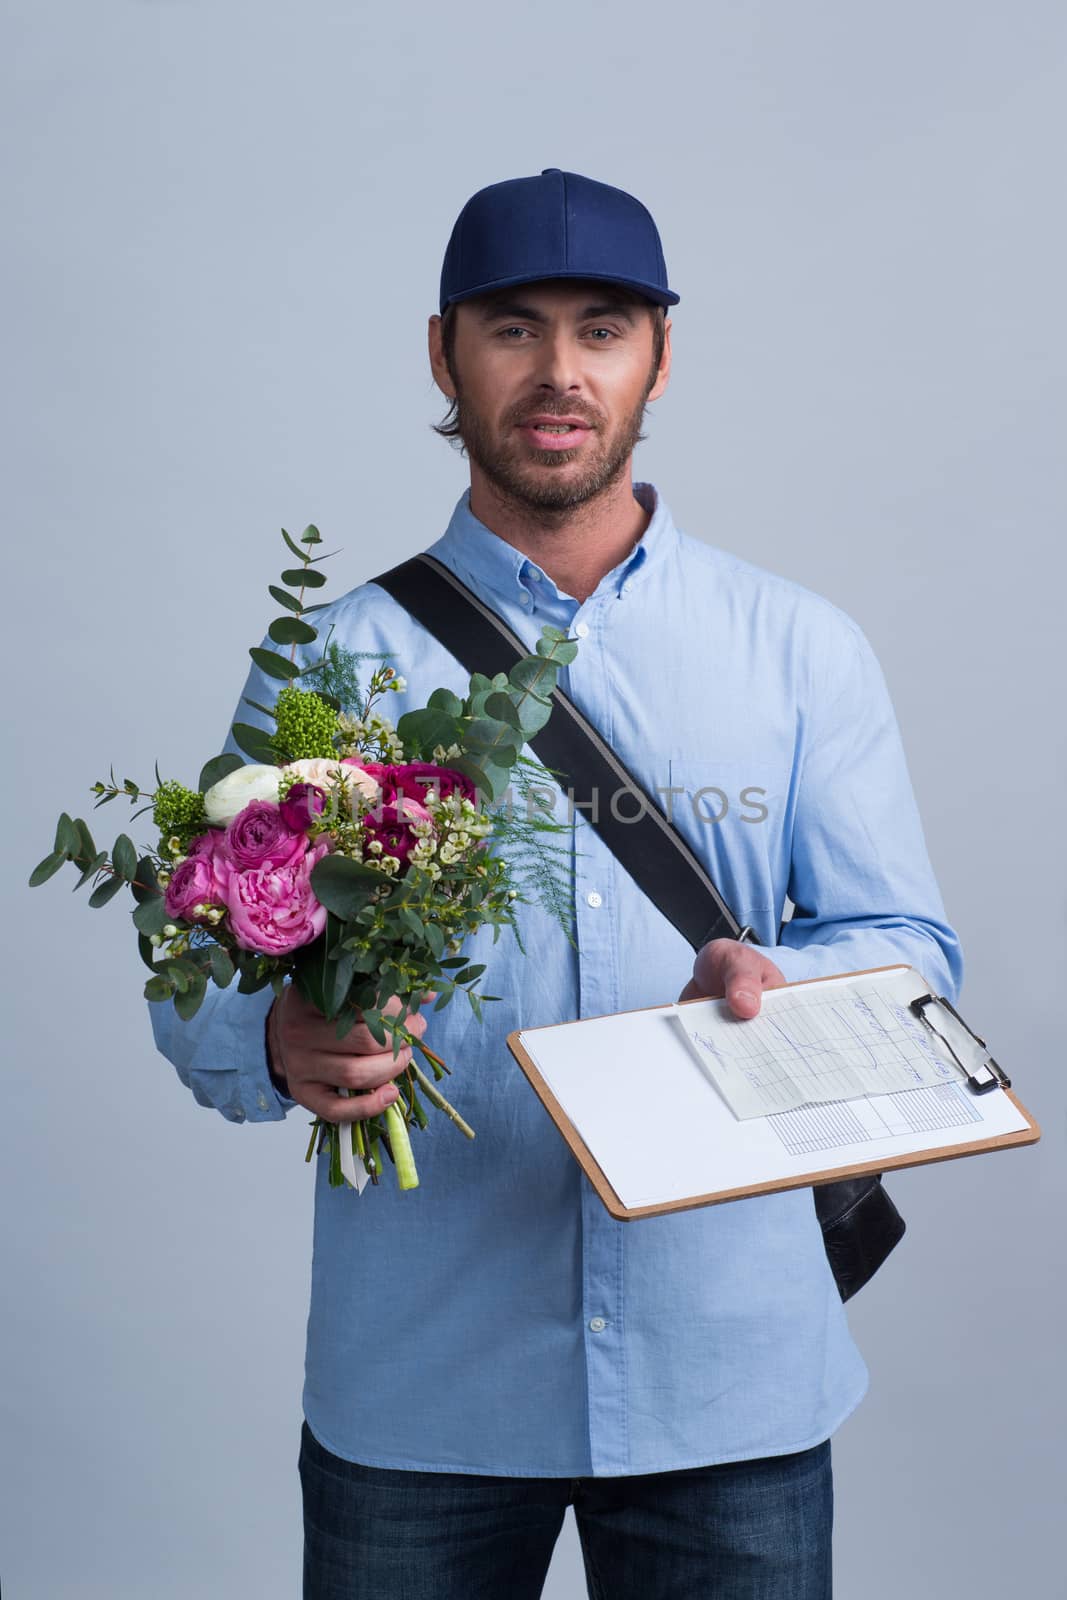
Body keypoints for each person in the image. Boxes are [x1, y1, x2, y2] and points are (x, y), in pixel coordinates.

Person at [151, 168, 962, 1599]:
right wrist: (276, 1040)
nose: (559, 372)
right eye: (513, 327)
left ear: (660, 357)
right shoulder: (326, 663)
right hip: (422, 1389)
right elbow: (203, 965)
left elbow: (907, 950)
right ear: (443, 353)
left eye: (603, 328)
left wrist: (784, 991)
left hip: (731, 1380)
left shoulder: (798, 648)